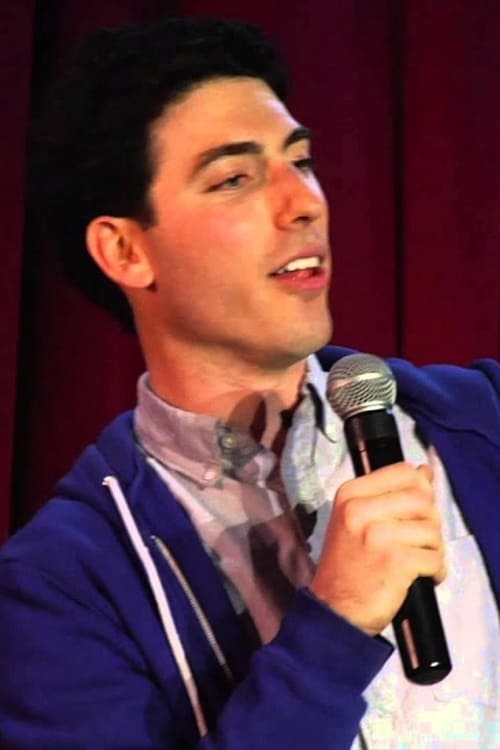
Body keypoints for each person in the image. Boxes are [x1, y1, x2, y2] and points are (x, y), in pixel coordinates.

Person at [0, 15, 498, 750]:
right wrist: (335, 628)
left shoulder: (480, 422)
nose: (304, 202)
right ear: (126, 251)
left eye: (301, 160)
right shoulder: (61, 589)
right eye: (234, 178)